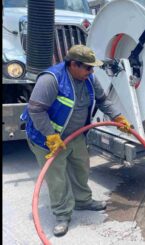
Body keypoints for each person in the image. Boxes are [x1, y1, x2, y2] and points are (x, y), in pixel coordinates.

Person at [21, 44, 131, 237]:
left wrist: (118, 117)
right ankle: (62, 215)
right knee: (57, 178)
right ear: (73, 64)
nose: (91, 71)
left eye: (92, 67)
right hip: (46, 138)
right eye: (87, 67)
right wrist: (50, 135)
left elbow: (103, 100)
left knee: (81, 167)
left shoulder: (89, 79)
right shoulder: (51, 79)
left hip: (75, 135)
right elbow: (35, 110)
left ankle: (82, 201)